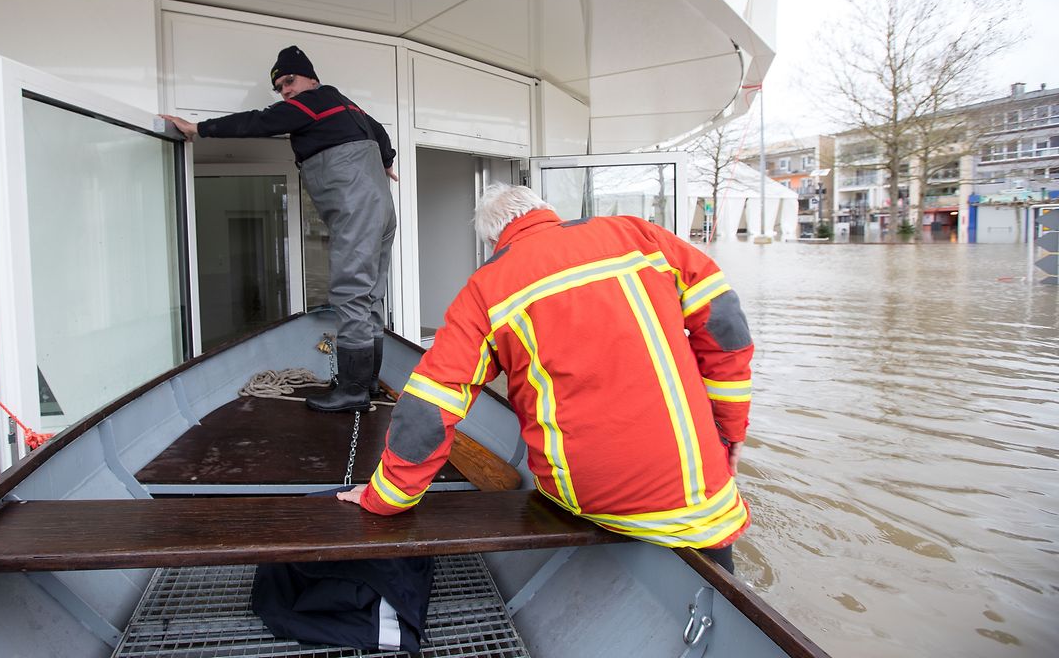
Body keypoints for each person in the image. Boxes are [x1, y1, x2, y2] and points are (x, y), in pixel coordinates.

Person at [338, 183, 754, 571]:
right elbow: (727, 329)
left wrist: (387, 498)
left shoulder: (487, 288)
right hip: (704, 489)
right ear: (548, 212)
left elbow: (429, 405)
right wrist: (730, 431)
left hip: (593, 497)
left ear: (492, 242)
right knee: (715, 536)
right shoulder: (640, 235)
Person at [161, 46, 397, 413]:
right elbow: (380, 133)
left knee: (350, 294)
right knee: (370, 296)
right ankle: (367, 384)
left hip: (357, 209)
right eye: (279, 87)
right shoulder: (349, 107)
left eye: (289, 80)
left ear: (310, 78)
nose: (285, 91)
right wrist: (385, 162)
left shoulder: (314, 100)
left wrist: (199, 129)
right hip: (381, 209)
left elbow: (260, 121)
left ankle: (352, 391)